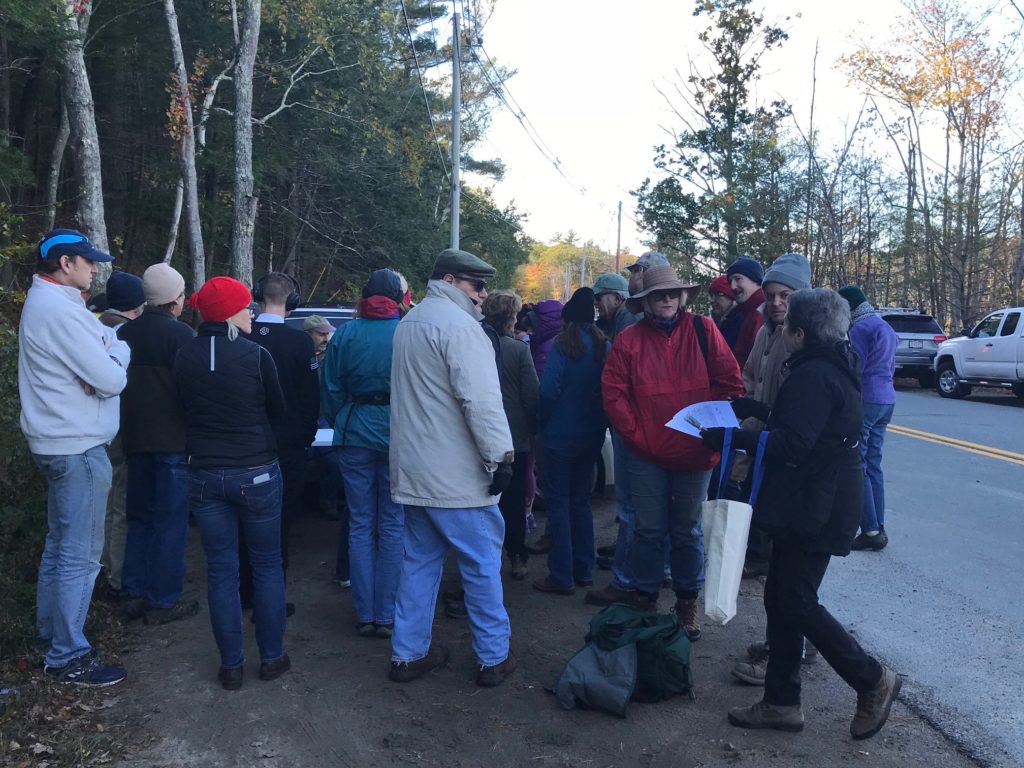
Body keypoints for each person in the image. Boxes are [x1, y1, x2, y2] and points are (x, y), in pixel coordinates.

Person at [701, 288, 901, 740]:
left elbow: (794, 443)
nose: (782, 328)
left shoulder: (814, 373)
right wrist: (757, 411)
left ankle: (871, 678)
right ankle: (781, 703)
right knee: (780, 597)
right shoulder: (830, 363)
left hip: (818, 503)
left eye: (787, 322)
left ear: (798, 333)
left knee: (796, 600)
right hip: (813, 499)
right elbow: (807, 425)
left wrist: (731, 438)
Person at [388, 248, 516, 687]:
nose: (483, 295)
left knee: (419, 564)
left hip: (415, 472)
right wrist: (501, 456)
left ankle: (407, 654)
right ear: (449, 280)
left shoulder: (410, 323)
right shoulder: (462, 328)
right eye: (476, 285)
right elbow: (480, 400)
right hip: (457, 479)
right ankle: (493, 657)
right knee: (481, 565)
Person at [598, 265, 743, 639]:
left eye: (672, 293)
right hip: (647, 454)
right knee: (648, 529)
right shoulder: (629, 341)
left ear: (681, 297)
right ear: (645, 301)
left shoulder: (703, 330)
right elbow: (614, 395)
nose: (666, 299)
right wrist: (638, 436)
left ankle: (686, 600)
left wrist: (711, 423)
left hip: (696, 453)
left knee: (687, 530)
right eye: (658, 294)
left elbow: (731, 383)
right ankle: (645, 596)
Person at [20, 229, 130, 686]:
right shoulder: (60, 312)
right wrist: (110, 361)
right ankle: (68, 654)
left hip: (58, 441)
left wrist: (110, 354)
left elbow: (111, 354)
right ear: (65, 263)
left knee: (59, 545)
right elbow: (112, 379)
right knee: (80, 555)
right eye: (88, 262)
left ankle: (52, 637)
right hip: (78, 446)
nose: (94, 269)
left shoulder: (53, 305)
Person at [173, 276, 290, 691]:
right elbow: (277, 408)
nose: (251, 313)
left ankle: (232, 666)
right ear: (227, 313)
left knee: (221, 571)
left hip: (203, 473)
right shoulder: (256, 355)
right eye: (244, 308)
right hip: (256, 470)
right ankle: (272, 657)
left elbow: (179, 410)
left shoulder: (182, 355)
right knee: (266, 564)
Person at [723, 253, 813, 686]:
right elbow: (751, 380)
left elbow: (797, 411)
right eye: (774, 295)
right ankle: (790, 642)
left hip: (793, 461)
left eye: (786, 295)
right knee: (780, 569)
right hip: (764, 450)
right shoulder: (766, 331)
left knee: (788, 572)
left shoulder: (808, 339)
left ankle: (788, 653)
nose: (777, 302)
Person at [321, 270, 406, 638]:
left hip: (354, 431)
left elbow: (330, 387)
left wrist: (341, 416)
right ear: (397, 298)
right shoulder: (406, 331)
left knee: (359, 523)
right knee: (392, 524)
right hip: (398, 437)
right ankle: (386, 615)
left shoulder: (347, 333)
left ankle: (365, 613)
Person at [119, 263, 197, 625]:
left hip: (134, 441)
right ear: (175, 300)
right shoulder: (181, 337)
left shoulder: (124, 334)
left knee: (139, 519)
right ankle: (164, 599)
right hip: (173, 444)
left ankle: (132, 590)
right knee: (171, 521)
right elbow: (191, 393)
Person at [246, 273, 320, 614]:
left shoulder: (241, 337)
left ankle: (246, 591)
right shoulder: (300, 343)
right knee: (280, 522)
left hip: (246, 443)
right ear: (293, 302)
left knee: (244, 521)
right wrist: (305, 439)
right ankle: (272, 595)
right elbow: (310, 399)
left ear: (258, 297)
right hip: (288, 446)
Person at [532, 288, 609, 596]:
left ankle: (561, 575)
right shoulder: (605, 345)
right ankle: (584, 568)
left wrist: (542, 419)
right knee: (581, 502)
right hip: (592, 434)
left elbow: (548, 391)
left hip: (560, 434)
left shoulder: (563, 345)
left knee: (559, 504)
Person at [95, 270, 145, 603]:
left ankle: (100, 570)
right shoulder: (123, 336)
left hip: (96, 429)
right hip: (119, 428)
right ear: (137, 304)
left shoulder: (94, 326)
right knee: (119, 505)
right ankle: (115, 578)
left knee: (105, 502)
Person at [481, 290, 538, 581]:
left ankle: (483, 561)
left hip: (478, 436)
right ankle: (516, 557)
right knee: (514, 502)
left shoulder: (474, 346)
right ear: (512, 317)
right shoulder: (519, 350)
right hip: (514, 437)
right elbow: (531, 396)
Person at [838, 285, 898, 552]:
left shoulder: (859, 329)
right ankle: (879, 525)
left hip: (868, 397)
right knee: (874, 463)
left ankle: (870, 530)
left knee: (858, 463)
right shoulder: (884, 326)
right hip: (888, 399)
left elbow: (855, 365)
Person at [726, 256, 766, 369]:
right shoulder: (747, 311)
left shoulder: (761, 312)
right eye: (730, 281)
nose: (733, 286)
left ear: (755, 280)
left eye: (738, 279)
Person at [593, 272, 639, 339]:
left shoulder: (630, 316)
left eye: (597, 298)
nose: (594, 302)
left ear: (617, 299)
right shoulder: (613, 317)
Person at [708, 274, 741, 346]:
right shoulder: (717, 324)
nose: (712, 300)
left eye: (718, 294)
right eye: (711, 295)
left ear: (731, 297)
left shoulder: (740, 323)